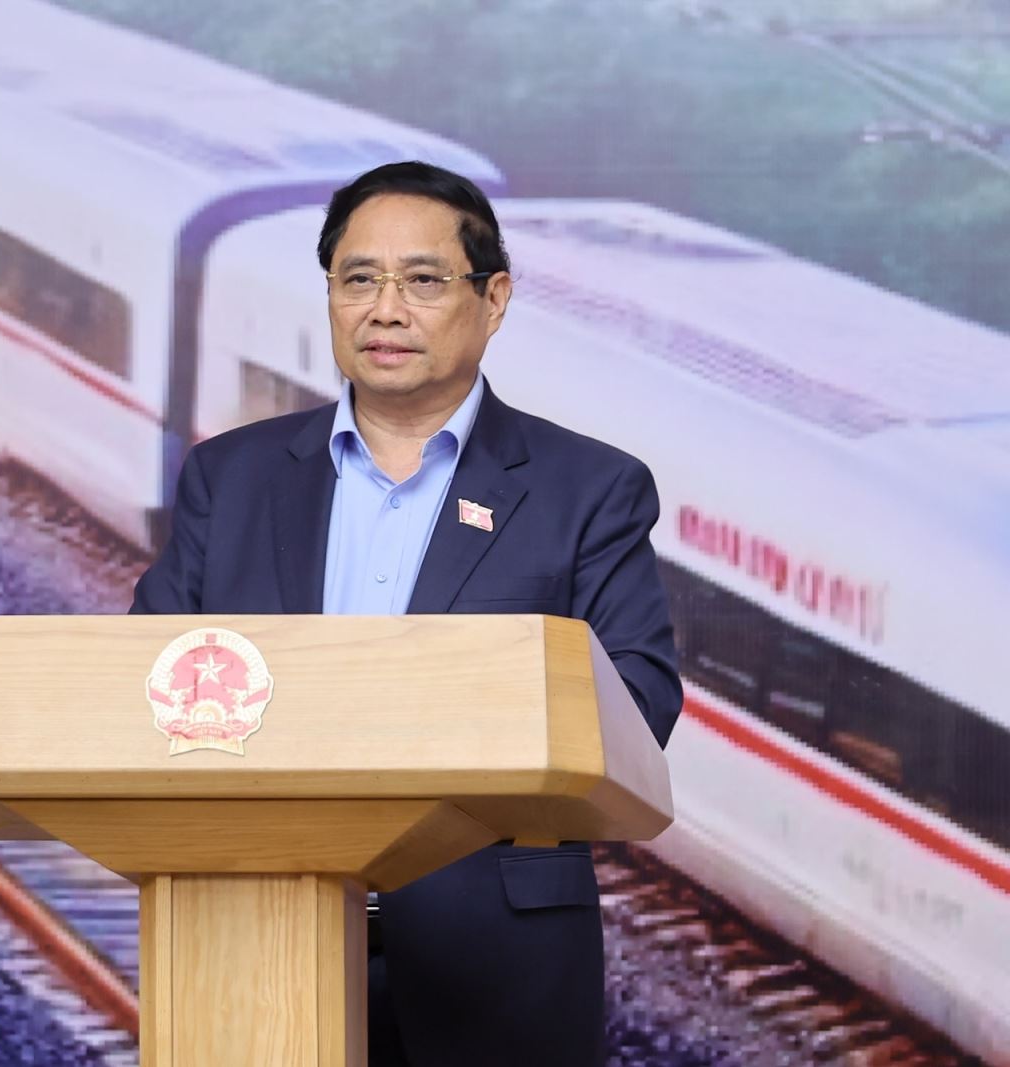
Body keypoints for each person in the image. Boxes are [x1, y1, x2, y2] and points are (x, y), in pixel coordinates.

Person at [131, 160, 682, 1065]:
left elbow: (638, 705)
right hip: (251, 938)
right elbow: (142, 684)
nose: (385, 310)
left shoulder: (590, 489)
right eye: (359, 279)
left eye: (423, 280)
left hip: (494, 962)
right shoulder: (230, 477)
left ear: (493, 299)